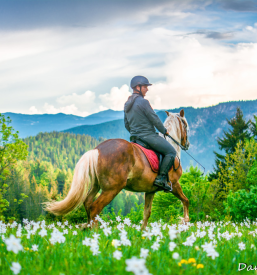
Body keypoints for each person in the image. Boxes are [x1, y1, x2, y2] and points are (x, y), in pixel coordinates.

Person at [124, 75, 176, 192]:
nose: (147, 89)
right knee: (171, 152)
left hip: (135, 138)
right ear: (138, 87)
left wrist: (135, 133)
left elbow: (126, 124)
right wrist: (164, 130)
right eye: (145, 87)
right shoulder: (143, 102)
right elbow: (154, 118)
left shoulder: (127, 105)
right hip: (148, 136)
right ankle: (161, 179)